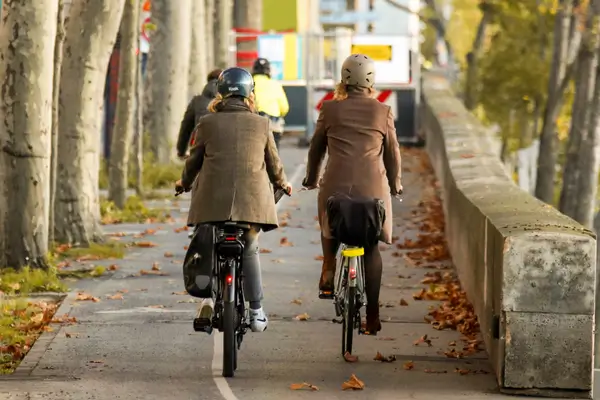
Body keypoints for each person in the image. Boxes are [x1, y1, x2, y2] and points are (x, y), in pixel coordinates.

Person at [175, 67, 292, 333]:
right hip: (252, 203)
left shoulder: (206, 122)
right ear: (250, 94)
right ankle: (256, 310)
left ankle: (206, 298)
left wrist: (183, 183)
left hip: (212, 200)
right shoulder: (262, 123)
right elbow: (274, 164)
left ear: (221, 92)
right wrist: (283, 183)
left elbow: (194, 161)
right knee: (249, 247)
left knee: (208, 241)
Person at [302, 54, 402, 336]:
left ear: (344, 80)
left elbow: (316, 148)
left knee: (329, 220)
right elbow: (393, 153)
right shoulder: (382, 112)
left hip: (337, 187)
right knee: (370, 247)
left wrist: (311, 179)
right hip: (373, 191)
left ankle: (329, 265)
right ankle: (372, 315)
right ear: (371, 81)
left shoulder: (330, 109)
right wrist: (395, 184)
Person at [176, 68, 223, 159]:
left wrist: (181, 151)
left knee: (191, 170)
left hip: (200, 148)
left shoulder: (197, 101)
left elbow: (186, 127)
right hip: (224, 150)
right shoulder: (228, 101)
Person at [251, 58, 289, 150]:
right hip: (272, 123)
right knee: (274, 151)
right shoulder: (275, 84)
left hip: (254, 122)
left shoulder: (250, 83)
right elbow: (284, 108)